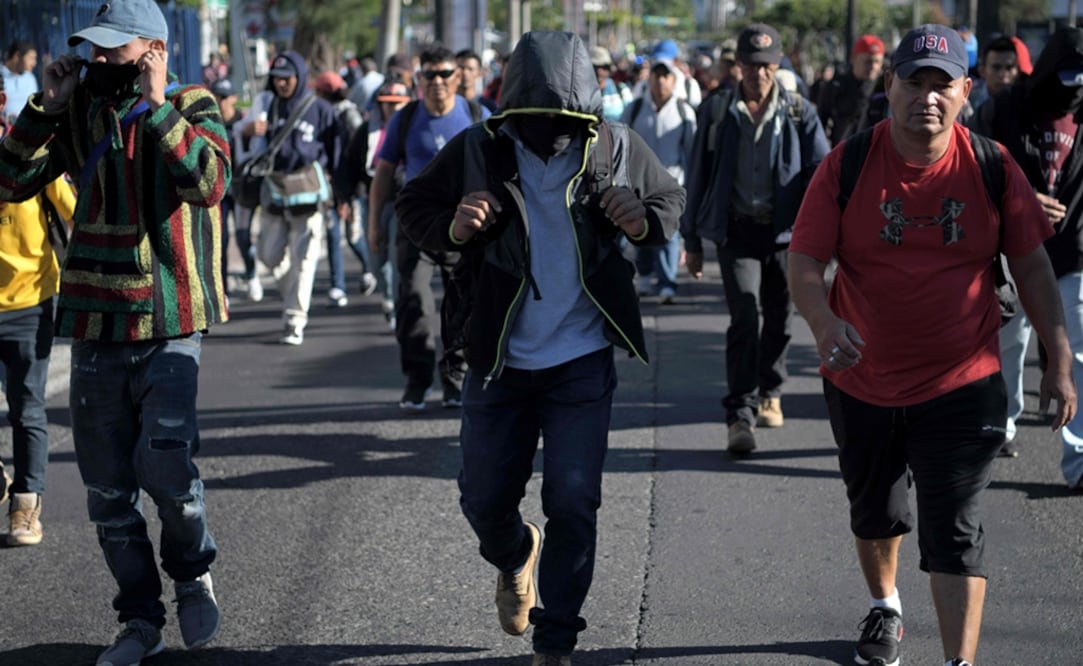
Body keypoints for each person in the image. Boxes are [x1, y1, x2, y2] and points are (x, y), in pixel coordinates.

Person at [788, 24, 1077, 666]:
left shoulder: (993, 166)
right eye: (913, 82)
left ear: (965, 92)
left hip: (963, 380)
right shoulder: (847, 164)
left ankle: (957, 662)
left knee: (956, 529)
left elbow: (1032, 267)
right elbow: (804, 259)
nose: (927, 96)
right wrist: (824, 323)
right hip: (862, 378)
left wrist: (1058, 360)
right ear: (890, 86)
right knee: (876, 512)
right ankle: (886, 605)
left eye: (941, 84)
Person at [396, 30, 684, 665]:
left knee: (574, 502)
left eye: (564, 119)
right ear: (511, 109)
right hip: (498, 361)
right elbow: (412, 204)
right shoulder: (478, 149)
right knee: (482, 501)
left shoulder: (613, 146)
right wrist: (455, 226)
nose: (548, 129)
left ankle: (556, 641)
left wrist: (642, 218)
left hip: (580, 362)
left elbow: (669, 198)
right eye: (534, 117)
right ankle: (516, 553)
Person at [0, 0, 230, 662]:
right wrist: (44, 106)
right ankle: (139, 620)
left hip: (169, 321)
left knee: (168, 471)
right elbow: (10, 181)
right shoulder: (75, 108)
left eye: (114, 49)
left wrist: (157, 107)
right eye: (93, 49)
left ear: (153, 49)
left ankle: (192, 574)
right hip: (95, 324)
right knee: (106, 494)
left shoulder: (191, 102)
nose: (99, 60)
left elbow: (209, 184)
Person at [682, 22, 829, 454]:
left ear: (778, 64)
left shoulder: (800, 112)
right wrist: (692, 240)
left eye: (766, 65)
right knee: (745, 316)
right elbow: (697, 174)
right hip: (736, 232)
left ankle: (771, 390)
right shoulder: (716, 110)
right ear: (738, 66)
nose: (758, 74)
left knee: (780, 317)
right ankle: (740, 414)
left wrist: (824, 240)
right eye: (750, 65)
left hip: (785, 237)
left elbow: (822, 178)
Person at [970, 25, 1083, 482]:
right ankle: (1002, 427)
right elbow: (973, 166)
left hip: (1074, 250)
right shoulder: (1005, 108)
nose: (1074, 90)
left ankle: (1079, 461)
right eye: (1069, 78)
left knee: (1078, 354)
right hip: (1013, 248)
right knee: (1009, 344)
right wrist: (1023, 198)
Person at [368, 45, 489, 410]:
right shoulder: (405, 118)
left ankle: (455, 377)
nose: (437, 81)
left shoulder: (477, 116)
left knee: (463, 303)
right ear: (419, 79)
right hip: (416, 225)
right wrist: (374, 224)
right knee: (413, 301)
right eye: (429, 75)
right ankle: (417, 381)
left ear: (458, 77)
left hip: (464, 224)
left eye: (445, 74)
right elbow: (383, 173)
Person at [0, 74, 76, 548]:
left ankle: (26, 505)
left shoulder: (31, 153)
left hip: (30, 303)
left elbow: (77, 211)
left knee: (26, 407)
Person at [241, 51, 341, 345]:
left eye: (287, 78)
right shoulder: (267, 105)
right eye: (277, 78)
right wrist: (248, 132)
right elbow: (247, 144)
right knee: (267, 255)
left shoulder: (320, 109)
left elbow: (335, 151)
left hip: (308, 194)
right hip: (274, 191)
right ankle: (293, 295)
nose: (282, 84)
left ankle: (295, 321)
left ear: (299, 77)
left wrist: (338, 191)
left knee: (304, 260)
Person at [335, 80, 411, 331]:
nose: (392, 109)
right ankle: (387, 296)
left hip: (404, 202)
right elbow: (349, 165)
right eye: (387, 104)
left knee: (397, 256)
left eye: (398, 104)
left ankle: (397, 304)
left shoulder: (414, 128)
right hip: (374, 200)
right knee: (376, 257)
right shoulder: (367, 131)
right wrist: (344, 197)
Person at [622, 58, 696, 303]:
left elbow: (691, 153)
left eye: (666, 76)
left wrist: (691, 187)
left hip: (672, 186)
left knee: (668, 233)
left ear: (674, 80)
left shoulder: (684, 112)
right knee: (639, 229)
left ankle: (667, 282)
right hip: (637, 185)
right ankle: (644, 276)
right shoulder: (634, 109)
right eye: (657, 75)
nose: (661, 81)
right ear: (649, 79)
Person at [315, 70, 376, 307]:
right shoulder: (323, 113)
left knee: (353, 236)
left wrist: (349, 192)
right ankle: (337, 286)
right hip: (329, 185)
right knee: (332, 234)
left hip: (350, 187)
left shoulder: (349, 115)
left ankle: (369, 269)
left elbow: (357, 156)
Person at [209, 78, 248, 301]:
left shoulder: (245, 123)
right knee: (220, 240)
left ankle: (251, 271)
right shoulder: (208, 121)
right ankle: (223, 290)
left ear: (234, 98)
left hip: (242, 189)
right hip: (221, 190)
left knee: (244, 237)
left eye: (224, 97)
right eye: (216, 96)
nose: (220, 101)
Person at [817, 34, 887, 146]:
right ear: (853, 58)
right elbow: (820, 123)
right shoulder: (836, 86)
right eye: (868, 61)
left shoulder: (884, 87)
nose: (873, 67)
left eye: (877, 62)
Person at [590, 47, 633, 121]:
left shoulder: (622, 90)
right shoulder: (581, 93)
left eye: (604, 67)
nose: (599, 71)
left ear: (609, 69)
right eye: (595, 67)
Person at [0, 40, 39, 122]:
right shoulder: (1, 76)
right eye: (31, 58)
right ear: (17, 56)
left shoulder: (30, 78)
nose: (34, 63)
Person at [456, 49, 498, 113]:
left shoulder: (489, 107)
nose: (465, 73)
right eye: (461, 68)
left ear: (479, 73)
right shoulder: (445, 105)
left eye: (470, 69)